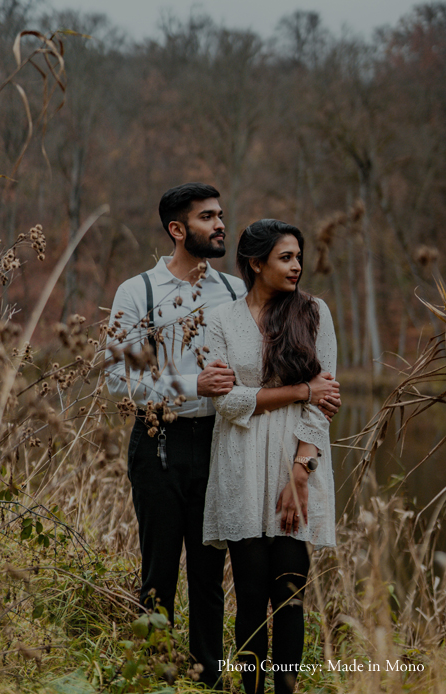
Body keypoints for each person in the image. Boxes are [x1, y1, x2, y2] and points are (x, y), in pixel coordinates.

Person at [106, 186, 340, 689]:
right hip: (160, 442)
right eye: (207, 217)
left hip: (223, 443)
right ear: (177, 229)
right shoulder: (137, 292)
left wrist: (304, 423)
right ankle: (157, 676)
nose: (219, 224)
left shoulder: (236, 292)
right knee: (159, 570)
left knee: (211, 575)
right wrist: (192, 384)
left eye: (221, 215)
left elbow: (267, 374)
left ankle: (208, 677)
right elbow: (115, 380)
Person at [203, 219, 338, 694]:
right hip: (239, 465)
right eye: (286, 257)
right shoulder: (221, 320)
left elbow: (323, 406)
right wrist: (300, 388)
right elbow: (228, 403)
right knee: (251, 595)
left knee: (289, 596)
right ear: (256, 263)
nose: (297, 265)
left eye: (299, 256)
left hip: (294, 463)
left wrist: (300, 473)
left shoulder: (315, 313)